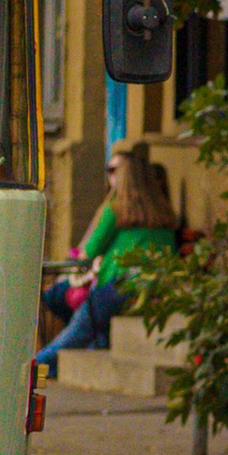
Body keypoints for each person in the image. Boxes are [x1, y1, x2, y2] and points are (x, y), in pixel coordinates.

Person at [39, 143, 180, 359]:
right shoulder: (161, 208)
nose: (108, 176)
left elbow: (90, 250)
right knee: (88, 328)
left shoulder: (116, 206)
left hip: (121, 284)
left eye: (113, 170)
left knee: (72, 332)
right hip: (155, 285)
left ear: (124, 175)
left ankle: (36, 366)